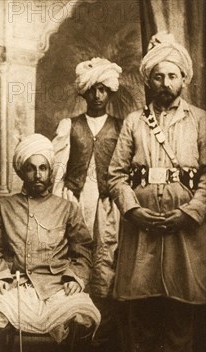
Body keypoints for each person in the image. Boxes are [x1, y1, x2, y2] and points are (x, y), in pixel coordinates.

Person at [108, 32, 206, 352]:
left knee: (181, 307)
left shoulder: (199, 121)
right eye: (158, 77)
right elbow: (115, 175)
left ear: (184, 79)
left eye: (172, 76)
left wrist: (190, 213)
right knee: (143, 307)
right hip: (141, 228)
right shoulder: (135, 122)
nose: (165, 84)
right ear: (148, 80)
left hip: (187, 229)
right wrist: (133, 210)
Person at [0, 134, 100, 352]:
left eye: (43, 168)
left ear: (51, 170)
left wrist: (75, 277)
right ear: (22, 171)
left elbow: (83, 249)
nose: (37, 175)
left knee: (83, 319)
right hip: (18, 285)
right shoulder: (3, 207)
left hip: (57, 287)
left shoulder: (67, 208)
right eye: (30, 168)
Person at [52, 57, 123, 299]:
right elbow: (59, 167)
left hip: (107, 201)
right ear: (84, 93)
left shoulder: (121, 127)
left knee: (106, 255)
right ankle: (75, 314)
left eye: (102, 90)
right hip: (75, 198)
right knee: (74, 250)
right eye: (92, 90)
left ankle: (103, 323)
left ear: (110, 92)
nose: (97, 96)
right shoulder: (70, 125)